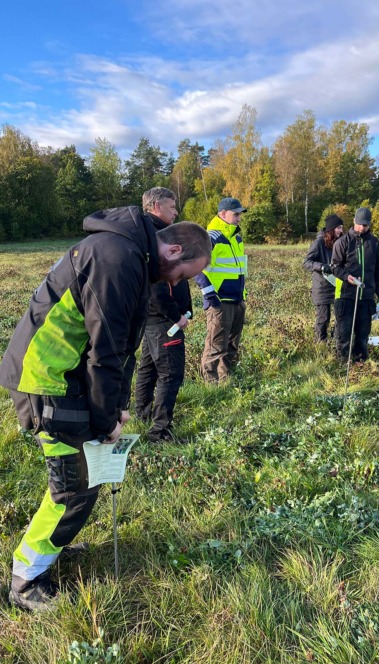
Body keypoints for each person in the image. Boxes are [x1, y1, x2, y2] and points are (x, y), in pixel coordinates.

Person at [0, 206, 211, 611]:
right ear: (174, 251)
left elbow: (118, 349)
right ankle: (25, 581)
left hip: (65, 377)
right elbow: (107, 352)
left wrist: (113, 410)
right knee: (73, 488)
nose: (177, 284)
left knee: (81, 481)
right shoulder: (118, 259)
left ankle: (48, 552)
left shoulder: (130, 254)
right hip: (48, 380)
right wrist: (104, 422)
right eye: (184, 275)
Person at [134, 187, 193, 443]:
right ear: (156, 206)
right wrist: (176, 316)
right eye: (172, 206)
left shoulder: (147, 233)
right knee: (171, 372)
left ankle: (143, 413)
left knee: (148, 366)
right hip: (163, 319)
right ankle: (160, 431)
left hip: (150, 318)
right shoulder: (157, 237)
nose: (176, 211)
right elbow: (157, 286)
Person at [195, 197, 247, 383]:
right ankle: (211, 383)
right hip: (220, 301)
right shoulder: (211, 237)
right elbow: (197, 268)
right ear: (222, 214)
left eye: (240, 214)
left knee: (232, 344)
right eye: (236, 214)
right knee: (216, 345)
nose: (239, 218)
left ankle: (226, 379)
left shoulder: (236, 237)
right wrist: (210, 295)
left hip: (237, 299)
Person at [331, 207, 379, 362]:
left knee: (362, 336)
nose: (362, 228)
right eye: (360, 224)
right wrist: (346, 276)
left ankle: (361, 364)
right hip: (345, 296)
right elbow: (335, 267)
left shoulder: (375, 244)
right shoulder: (342, 243)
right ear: (354, 221)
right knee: (345, 335)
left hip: (366, 298)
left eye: (366, 225)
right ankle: (343, 364)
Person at [303, 214, 344, 342]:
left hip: (337, 286)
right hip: (322, 287)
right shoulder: (319, 243)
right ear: (331, 229)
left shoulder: (341, 242)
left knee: (341, 317)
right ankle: (320, 345)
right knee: (323, 318)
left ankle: (335, 340)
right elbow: (306, 262)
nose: (341, 231)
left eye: (342, 228)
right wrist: (321, 266)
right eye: (338, 228)